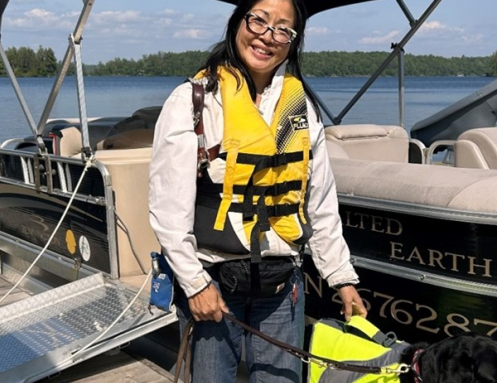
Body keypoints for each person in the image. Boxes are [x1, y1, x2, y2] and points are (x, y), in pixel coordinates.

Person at [148, 0, 367, 381]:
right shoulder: (193, 101)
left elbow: (321, 201)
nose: (268, 37)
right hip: (213, 281)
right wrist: (195, 284)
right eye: (259, 21)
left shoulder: (301, 110)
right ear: (238, 23)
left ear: (293, 41)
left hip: (282, 284)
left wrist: (342, 278)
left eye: (283, 29)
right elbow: (167, 208)